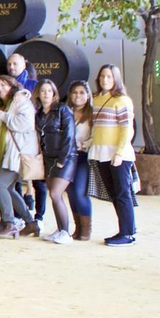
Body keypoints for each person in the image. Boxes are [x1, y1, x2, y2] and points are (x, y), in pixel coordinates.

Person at [89, 65, 137, 247]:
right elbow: (97, 127)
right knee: (114, 194)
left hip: (118, 154)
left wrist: (119, 152)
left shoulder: (122, 100)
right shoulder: (97, 99)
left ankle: (128, 234)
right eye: (102, 76)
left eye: (109, 76)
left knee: (123, 193)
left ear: (116, 79)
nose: (105, 80)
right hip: (101, 153)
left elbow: (127, 129)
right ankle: (126, 229)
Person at [0, 74, 38, 239]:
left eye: (4, 85)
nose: (0, 89)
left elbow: (25, 124)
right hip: (11, 152)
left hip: (19, 152)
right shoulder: (8, 103)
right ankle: (30, 223)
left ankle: (10, 223)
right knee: (7, 188)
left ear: (12, 85)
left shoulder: (19, 100)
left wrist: (4, 116)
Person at [35, 81, 76, 244]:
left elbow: (69, 135)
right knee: (53, 195)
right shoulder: (39, 114)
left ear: (54, 93)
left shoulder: (62, 109)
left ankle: (66, 233)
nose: (46, 93)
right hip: (48, 158)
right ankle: (59, 230)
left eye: (49, 91)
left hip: (66, 157)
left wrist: (62, 159)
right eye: (43, 91)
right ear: (38, 94)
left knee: (55, 193)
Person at [64, 81, 95, 241]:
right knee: (70, 192)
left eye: (82, 92)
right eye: (75, 92)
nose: (78, 95)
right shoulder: (65, 111)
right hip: (67, 157)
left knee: (79, 192)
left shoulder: (92, 114)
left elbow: (96, 135)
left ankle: (87, 229)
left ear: (88, 95)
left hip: (84, 156)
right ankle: (78, 227)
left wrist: (84, 145)